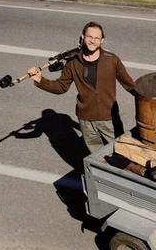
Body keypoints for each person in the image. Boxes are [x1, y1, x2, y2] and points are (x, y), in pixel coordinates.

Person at [28, 21, 137, 153]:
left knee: (121, 152)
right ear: (83, 37)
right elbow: (61, 87)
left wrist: (148, 101)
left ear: (102, 41)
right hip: (86, 120)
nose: (93, 41)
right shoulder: (73, 62)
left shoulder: (111, 59)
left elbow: (129, 84)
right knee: (97, 155)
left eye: (97, 38)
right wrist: (40, 80)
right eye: (90, 37)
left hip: (109, 118)